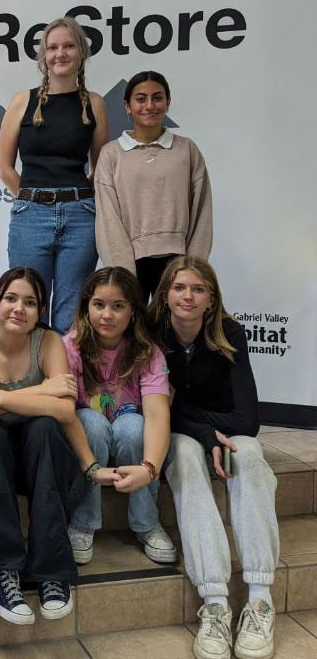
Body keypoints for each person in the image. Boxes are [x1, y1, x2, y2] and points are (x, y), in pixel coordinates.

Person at [0, 267, 117, 626]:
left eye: (30, 302)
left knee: (44, 427)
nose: (19, 309)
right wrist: (42, 392)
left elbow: (63, 408)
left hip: (34, 458)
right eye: (11, 299)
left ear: (41, 312)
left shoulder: (49, 342)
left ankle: (51, 572)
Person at [149, 256, 278, 659]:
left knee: (252, 456)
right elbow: (153, 408)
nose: (188, 296)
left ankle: (259, 597)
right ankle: (216, 602)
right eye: (180, 288)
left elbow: (248, 420)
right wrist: (206, 434)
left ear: (211, 298)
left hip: (227, 428)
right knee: (185, 458)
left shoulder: (231, 332)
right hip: (181, 432)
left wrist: (214, 432)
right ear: (165, 295)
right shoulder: (150, 334)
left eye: (198, 289)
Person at [0, 16, 109, 333]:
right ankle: (30, 382)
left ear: (81, 53)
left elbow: (100, 167)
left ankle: (64, 381)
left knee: (72, 312)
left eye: (68, 46)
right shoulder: (23, 101)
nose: (60, 54)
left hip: (80, 216)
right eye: (52, 47)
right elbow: (4, 167)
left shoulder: (94, 104)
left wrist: (80, 200)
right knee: (27, 305)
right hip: (30, 215)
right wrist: (32, 197)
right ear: (44, 56)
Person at [64, 267, 174, 566]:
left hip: (130, 443)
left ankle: (146, 522)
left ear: (134, 312)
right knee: (90, 421)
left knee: (135, 426)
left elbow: (157, 413)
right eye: (99, 304)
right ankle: (82, 521)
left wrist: (150, 468)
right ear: (86, 308)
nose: (107, 315)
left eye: (118, 306)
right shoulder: (70, 347)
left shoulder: (148, 353)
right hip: (90, 442)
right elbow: (65, 412)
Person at [95, 71, 212, 301]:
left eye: (157, 98)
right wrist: (124, 275)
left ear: (167, 103)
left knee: (171, 333)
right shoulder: (111, 154)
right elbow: (108, 219)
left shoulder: (187, 150)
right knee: (134, 335)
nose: (149, 105)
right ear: (127, 106)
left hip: (178, 262)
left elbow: (202, 212)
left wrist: (193, 268)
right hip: (131, 265)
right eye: (140, 99)